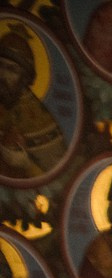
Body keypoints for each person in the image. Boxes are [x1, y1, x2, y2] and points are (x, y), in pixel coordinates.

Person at [0, 28, 68, 181]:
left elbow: (56, 179)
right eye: (0, 65)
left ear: (24, 77)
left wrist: (25, 164)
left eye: (12, 69)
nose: (2, 75)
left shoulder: (38, 118)